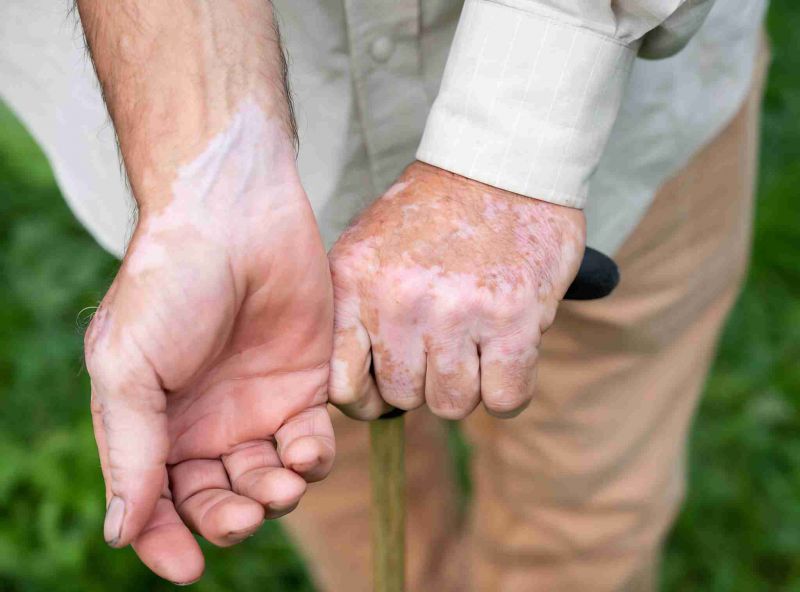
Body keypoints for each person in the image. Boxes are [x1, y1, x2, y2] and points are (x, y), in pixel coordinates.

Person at [0, 0, 767, 589]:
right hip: (246, 258)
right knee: (319, 477)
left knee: (580, 513)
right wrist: (207, 174)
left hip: (614, 137)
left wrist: (505, 160)